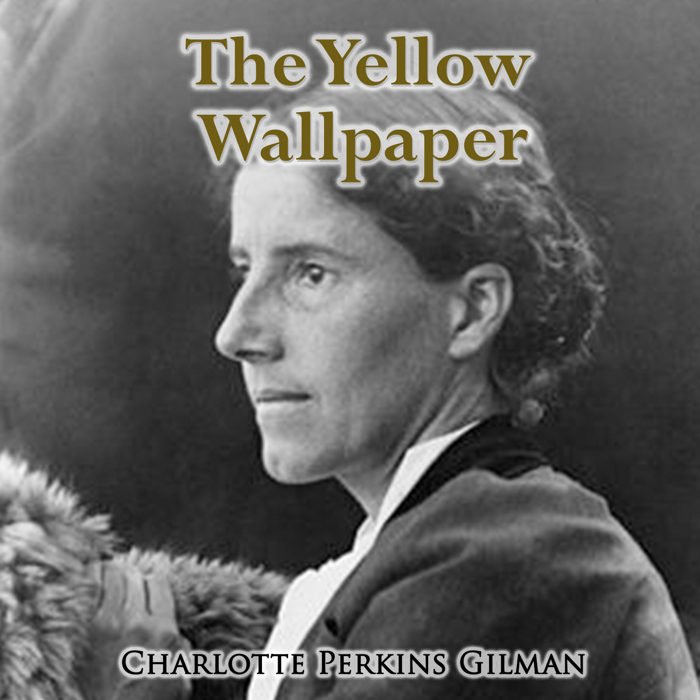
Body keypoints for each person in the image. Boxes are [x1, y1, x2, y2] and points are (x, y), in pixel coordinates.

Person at [82, 86, 699, 699]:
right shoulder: (456, 544)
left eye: (310, 273)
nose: (236, 334)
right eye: (245, 271)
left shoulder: (505, 559)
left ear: (472, 311)